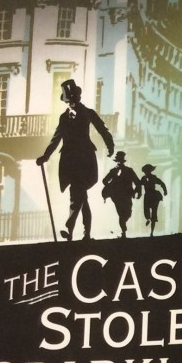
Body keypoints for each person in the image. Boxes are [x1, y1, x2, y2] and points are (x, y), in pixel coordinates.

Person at [36, 79, 114, 241]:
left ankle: (69, 227)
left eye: (74, 99)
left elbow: (102, 129)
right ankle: (85, 234)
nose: (72, 103)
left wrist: (110, 145)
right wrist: (46, 156)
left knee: (76, 194)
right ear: (66, 101)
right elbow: (56, 138)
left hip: (85, 161)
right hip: (70, 162)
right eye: (69, 100)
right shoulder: (63, 118)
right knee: (82, 198)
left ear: (78, 98)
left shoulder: (88, 113)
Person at [101, 152, 141, 238]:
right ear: (117, 161)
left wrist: (138, 192)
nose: (120, 163)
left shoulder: (129, 171)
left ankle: (123, 228)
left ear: (123, 161)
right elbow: (104, 180)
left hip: (127, 195)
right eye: (118, 161)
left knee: (128, 213)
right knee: (121, 213)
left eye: (121, 161)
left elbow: (137, 182)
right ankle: (124, 231)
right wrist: (111, 186)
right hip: (117, 196)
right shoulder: (113, 171)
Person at [140, 164, 168, 236]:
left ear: (150, 171)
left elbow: (162, 183)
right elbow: (139, 185)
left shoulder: (153, 177)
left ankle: (152, 232)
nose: (146, 172)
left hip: (153, 196)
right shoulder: (143, 178)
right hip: (148, 196)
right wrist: (138, 192)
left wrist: (165, 191)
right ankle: (148, 219)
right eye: (146, 171)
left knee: (154, 212)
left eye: (148, 171)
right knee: (146, 210)